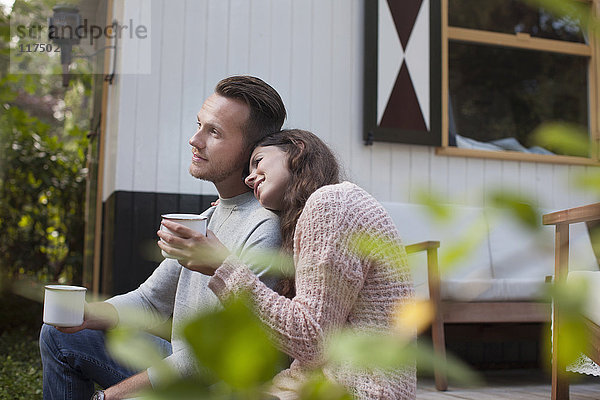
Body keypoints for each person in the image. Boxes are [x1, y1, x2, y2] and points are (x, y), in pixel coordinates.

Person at [39, 75, 287, 400]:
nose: (195, 140)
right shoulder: (209, 218)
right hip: (184, 363)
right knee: (60, 334)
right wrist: (89, 314)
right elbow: (150, 301)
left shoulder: (263, 227)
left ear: (251, 151)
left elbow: (215, 358)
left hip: (217, 387)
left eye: (214, 132)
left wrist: (111, 396)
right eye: (200, 124)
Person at [158, 129, 417, 399]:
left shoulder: (331, 203)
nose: (248, 178)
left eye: (258, 162)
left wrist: (223, 266)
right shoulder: (327, 210)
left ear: (297, 150)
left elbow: (312, 339)